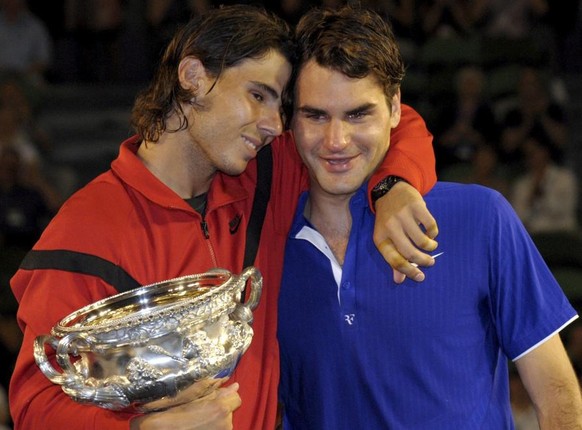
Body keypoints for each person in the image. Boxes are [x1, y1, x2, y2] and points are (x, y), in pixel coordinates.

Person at [9, 5, 439, 430]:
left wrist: (392, 186)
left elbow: (388, 119)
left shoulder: (266, 174)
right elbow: (34, 406)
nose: (274, 124)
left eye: (281, 106)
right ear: (193, 77)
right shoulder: (87, 228)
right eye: (257, 96)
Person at [277, 6, 582, 429]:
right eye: (315, 115)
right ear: (289, 121)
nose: (336, 140)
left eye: (358, 114)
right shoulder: (265, 249)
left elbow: (558, 394)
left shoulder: (481, 218)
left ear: (397, 109)